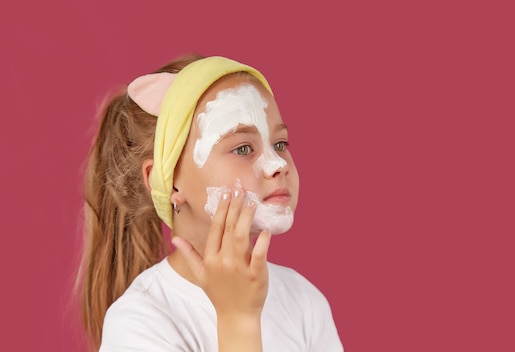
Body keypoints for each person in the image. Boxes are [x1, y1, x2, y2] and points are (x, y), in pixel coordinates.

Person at [77, 53, 343, 352]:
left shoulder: (304, 302)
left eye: (279, 144)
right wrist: (238, 319)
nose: (277, 164)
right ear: (166, 179)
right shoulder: (140, 321)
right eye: (243, 148)